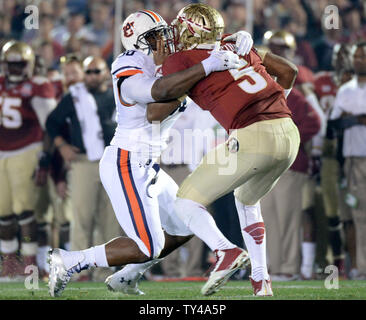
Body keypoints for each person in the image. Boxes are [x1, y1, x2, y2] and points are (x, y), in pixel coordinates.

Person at [47, 9, 246, 297]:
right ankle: (70, 261)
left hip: (146, 163)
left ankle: (127, 277)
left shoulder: (163, 57)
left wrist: (234, 39)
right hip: (126, 162)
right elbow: (156, 105)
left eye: (164, 32)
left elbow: (198, 42)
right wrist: (202, 72)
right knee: (147, 245)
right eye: (156, 35)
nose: (165, 39)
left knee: (181, 225)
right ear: (139, 42)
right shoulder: (126, 67)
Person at [148, 3, 300, 296]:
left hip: (252, 135)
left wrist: (162, 69)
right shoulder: (234, 43)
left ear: (190, 32)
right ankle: (261, 281)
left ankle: (225, 251)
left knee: (186, 202)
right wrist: (272, 104)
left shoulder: (181, 60)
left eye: (180, 28)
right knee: (246, 200)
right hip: (288, 133)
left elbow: (157, 109)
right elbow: (289, 71)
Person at [46, 55, 123, 282]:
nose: (91, 76)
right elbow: (52, 122)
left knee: (110, 220)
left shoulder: (118, 94)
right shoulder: (75, 97)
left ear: (105, 74)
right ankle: (78, 269)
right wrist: (62, 147)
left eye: (96, 72)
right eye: (87, 72)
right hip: (84, 163)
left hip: (112, 163)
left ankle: (105, 270)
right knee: (82, 218)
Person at [0, 40, 56, 279]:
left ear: (30, 64)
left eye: (19, 64)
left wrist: (44, 158)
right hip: (2, 151)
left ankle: (31, 261)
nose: (14, 70)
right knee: (3, 212)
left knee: (25, 211)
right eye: (11, 65)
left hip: (27, 148)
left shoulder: (38, 86)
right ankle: (10, 262)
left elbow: (50, 126)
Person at [328, 42, 366, 280]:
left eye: (364, 56)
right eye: (357, 56)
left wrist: (353, 118)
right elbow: (333, 125)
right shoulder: (346, 90)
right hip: (354, 158)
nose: (360, 60)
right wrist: (357, 120)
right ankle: (362, 267)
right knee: (359, 215)